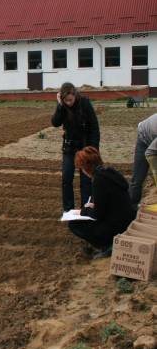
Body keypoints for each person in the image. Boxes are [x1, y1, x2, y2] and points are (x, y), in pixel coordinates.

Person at [68, 147, 136, 259]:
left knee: (74, 224)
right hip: (126, 218)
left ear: (86, 168)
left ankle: (107, 245)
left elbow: (97, 214)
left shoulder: (99, 180)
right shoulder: (109, 173)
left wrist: (83, 211)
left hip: (116, 226)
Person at [52, 82, 100, 212]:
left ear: (75, 95)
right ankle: (68, 210)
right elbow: (55, 122)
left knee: (86, 180)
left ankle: (86, 209)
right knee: (66, 178)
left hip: (85, 147)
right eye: (65, 100)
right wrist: (60, 106)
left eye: (70, 100)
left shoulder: (84, 103)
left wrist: (93, 149)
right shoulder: (63, 106)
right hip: (69, 148)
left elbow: (95, 127)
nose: (68, 103)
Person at [129, 113, 157, 208]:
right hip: (144, 138)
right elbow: (150, 153)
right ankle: (130, 209)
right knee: (138, 179)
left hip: (154, 136)